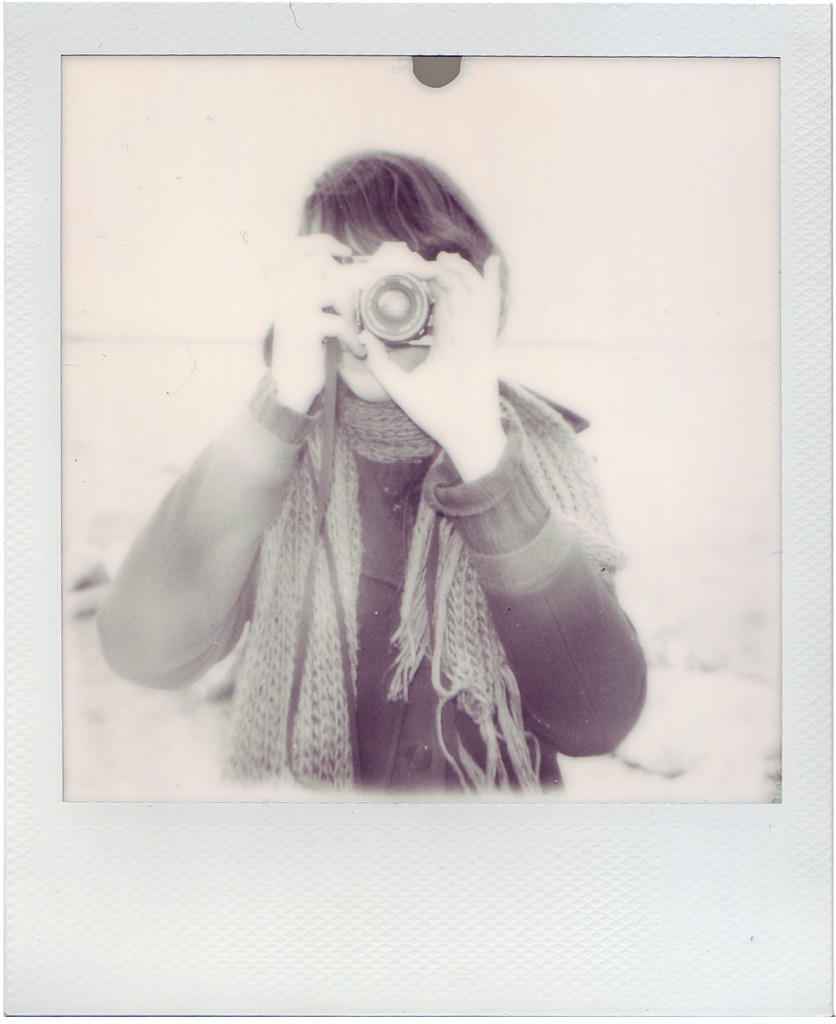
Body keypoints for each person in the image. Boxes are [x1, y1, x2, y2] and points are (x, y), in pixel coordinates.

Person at [97, 150, 646, 794]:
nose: (382, 303)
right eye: (348, 268)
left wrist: (479, 448)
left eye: (410, 276)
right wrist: (281, 400)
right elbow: (144, 653)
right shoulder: (276, 453)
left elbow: (596, 721)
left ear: (466, 298)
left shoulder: (527, 454)